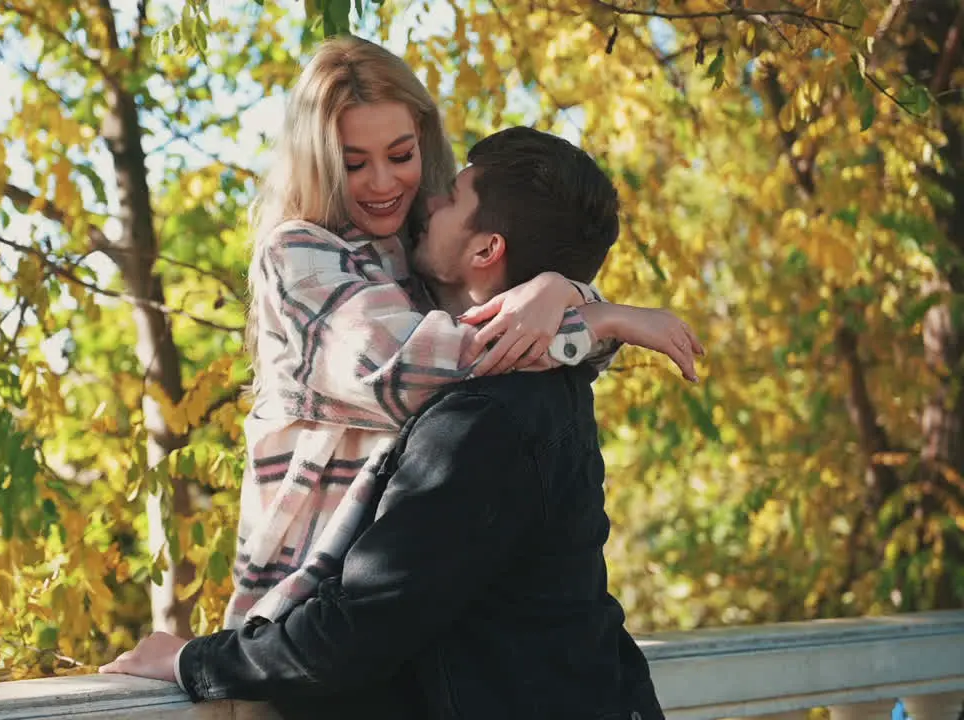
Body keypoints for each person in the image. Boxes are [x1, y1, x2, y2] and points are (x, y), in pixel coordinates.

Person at [101, 128, 680, 719]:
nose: (427, 201)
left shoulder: (479, 424)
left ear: (486, 251)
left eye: (451, 198)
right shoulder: (552, 381)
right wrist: (582, 302)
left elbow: (358, 629)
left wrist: (191, 662)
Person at [215, 35, 699, 632]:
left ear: (424, 137)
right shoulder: (300, 254)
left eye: (400, 153)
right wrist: (601, 316)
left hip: (395, 608)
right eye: (354, 162)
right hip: (296, 606)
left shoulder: (424, 242)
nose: (383, 183)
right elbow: (407, 370)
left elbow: (509, 336)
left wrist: (561, 289)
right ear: (318, 160)